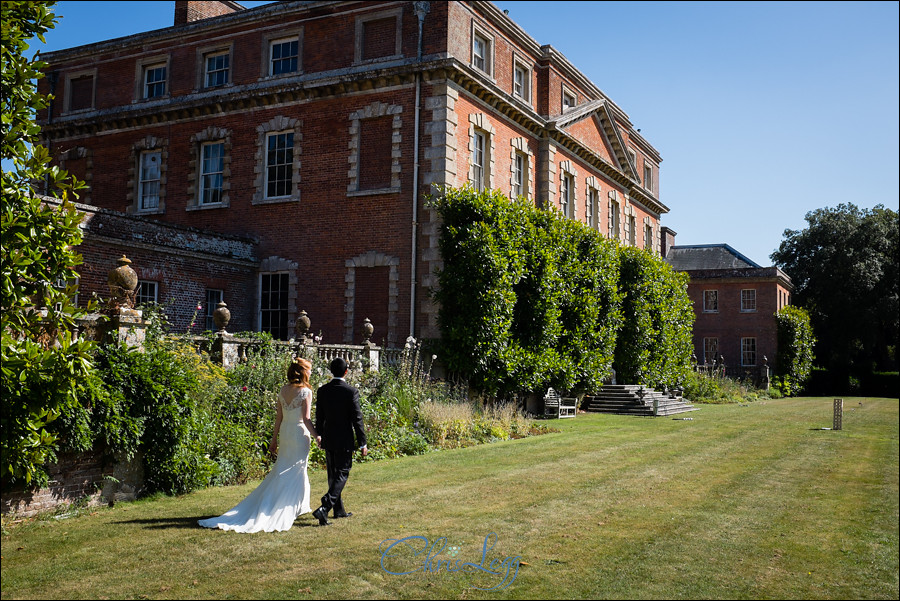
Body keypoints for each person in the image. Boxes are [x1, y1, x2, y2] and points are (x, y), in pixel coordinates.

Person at [198, 358, 319, 533]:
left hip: (285, 433)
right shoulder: (306, 392)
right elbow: (306, 419)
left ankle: (297, 504)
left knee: (283, 468)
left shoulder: (283, 390)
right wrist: (317, 436)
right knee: (298, 468)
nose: (310, 373)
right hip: (299, 434)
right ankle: (291, 505)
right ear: (303, 372)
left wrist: (274, 439)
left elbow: (279, 418)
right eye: (309, 370)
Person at [311, 357, 367, 526]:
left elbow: (319, 417)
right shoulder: (351, 392)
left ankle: (339, 510)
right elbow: (357, 419)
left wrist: (319, 434)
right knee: (342, 472)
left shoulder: (323, 391)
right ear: (346, 372)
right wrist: (362, 442)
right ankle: (325, 506)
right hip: (344, 439)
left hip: (328, 437)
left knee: (333, 474)